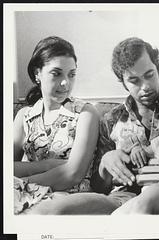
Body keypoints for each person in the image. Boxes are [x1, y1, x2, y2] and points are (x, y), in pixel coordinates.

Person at [30, 37, 159, 214]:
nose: (145, 87)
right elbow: (98, 185)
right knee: (53, 211)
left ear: (158, 68)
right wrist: (106, 164)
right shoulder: (111, 119)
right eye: (134, 81)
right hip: (123, 197)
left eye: (149, 75)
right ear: (123, 81)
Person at [13, 36, 99, 214]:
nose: (65, 82)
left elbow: (72, 174)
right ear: (38, 74)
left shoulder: (85, 114)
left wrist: (22, 182)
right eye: (56, 73)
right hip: (26, 197)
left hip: (70, 200)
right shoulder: (24, 116)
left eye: (71, 74)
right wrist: (45, 165)